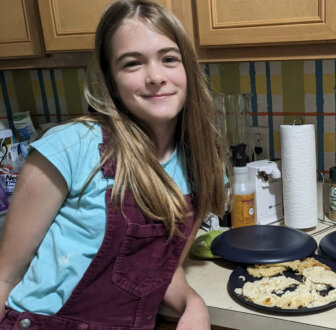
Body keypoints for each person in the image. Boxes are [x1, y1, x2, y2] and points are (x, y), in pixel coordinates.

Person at [0, 0, 229, 329]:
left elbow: (162, 269)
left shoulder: (204, 167)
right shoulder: (71, 147)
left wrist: (193, 304)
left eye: (169, 59)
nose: (155, 77)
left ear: (188, 69)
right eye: (132, 64)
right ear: (112, 81)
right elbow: (5, 276)